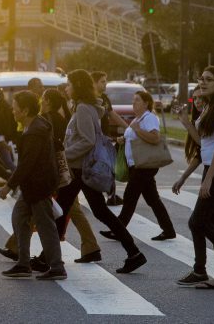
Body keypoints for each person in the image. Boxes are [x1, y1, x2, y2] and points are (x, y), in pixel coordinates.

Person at [53, 69, 146, 274]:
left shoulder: (84, 108)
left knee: (61, 210)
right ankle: (134, 253)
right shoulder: (83, 106)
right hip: (81, 168)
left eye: (69, 85)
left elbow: (88, 140)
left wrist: (64, 155)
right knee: (87, 210)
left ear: (77, 86)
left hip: (80, 169)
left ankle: (50, 259)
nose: (66, 89)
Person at [0, 88, 101, 265]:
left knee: (46, 220)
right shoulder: (44, 121)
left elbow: (29, 162)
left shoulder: (43, 124)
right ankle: (23, 258)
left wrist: (9, 184)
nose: (42, 102)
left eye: (44, 99)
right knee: (40, 216)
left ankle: (52, 262)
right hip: (52, 176)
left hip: (48, 178)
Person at [175, 66, 214, 288]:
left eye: (208, 80)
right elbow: (204, 143)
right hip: (213, 168)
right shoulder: (210, 106)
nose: (203, 82)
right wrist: (184, 120)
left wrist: (209, 179)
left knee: (198, 221)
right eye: (201, 79)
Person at [0, 90, 66, 281]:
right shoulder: (37, 125)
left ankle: (57, 267)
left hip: (38, 185)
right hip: (34, 185)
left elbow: (27, 164)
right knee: (20, 219)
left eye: (15, 108)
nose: (13, 111)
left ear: (25, 110)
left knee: (45, 226)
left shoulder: (35, 131)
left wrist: (8, 186)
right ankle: (23, 263)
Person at [102, 91, 175, 241]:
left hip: (144, 166)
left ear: (146, 103)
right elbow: (136, 138)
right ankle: (168, 230)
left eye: (137, 100)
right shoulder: (138, 118)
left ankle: (118, 230)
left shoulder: (149, 118)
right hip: (138, 165)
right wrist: (124, 139)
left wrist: (136, 129)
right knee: (152, 199)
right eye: (133, 100)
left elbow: (155, 138)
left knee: (129, 197)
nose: (133, 103)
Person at [91, 72, 128, 206]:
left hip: (105, 139)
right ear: (94, 83)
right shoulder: (89, 99)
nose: (105, 84)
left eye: (105, 81)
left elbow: (113, 115)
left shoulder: (105, 98)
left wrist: (128, 128)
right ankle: (101, 195)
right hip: (94, 139)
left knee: (109, 167)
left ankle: (111, 195)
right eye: (102, 81)